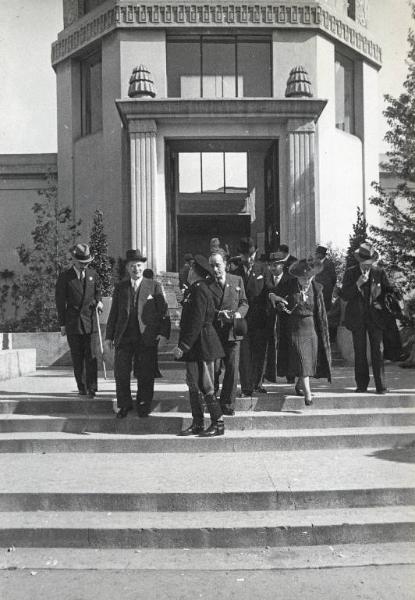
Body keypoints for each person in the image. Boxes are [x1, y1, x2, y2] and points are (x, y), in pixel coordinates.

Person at [105, 249, 170, 419]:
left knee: (146, 373)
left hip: (146, 336)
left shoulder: (154, 286)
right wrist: (108, 337)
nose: (136, 269)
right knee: (122, 372)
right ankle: (124, 405)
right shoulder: (120, 287)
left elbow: (164, 312)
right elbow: (114, 314)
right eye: (132, 266)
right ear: (127, 268)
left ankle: (143, 404)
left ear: (143, 266)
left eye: (139, 265)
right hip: (124, 336)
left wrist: (164, 334)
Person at [172, 255, 225, 436]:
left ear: (195, 272)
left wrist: (183, 346)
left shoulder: (199, 289)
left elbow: (197, 321)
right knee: (193, 384)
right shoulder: (195, 289)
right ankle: (198, 423)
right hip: (197, 346)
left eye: (190, 268)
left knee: (206, 385)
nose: (187, 271)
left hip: (202, 344)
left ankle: (218, 423)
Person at [340, 242, 397, 394]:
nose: (367, 267)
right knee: (359, 351)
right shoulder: (350, 273)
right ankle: (362, 385)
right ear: (359, 261)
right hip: (357, 318)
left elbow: (389, 291)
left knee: (378, 350)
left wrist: (384, 303)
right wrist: (358, 284)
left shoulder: (379, 272)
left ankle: (381, 386)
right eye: (365, 264)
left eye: (370, 264)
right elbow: (344, 295)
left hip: (376, 318)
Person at [55, 243, 103, 398]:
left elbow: (97, 293)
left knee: (92, 355)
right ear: (74, 261)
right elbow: (60, 302)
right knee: (77, 356)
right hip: (73, 322)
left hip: (90, 320)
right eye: (82, 263)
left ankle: (92, 387)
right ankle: (81, 386)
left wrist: (99, 301)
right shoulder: (65, 277)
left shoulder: (93, 274)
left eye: (87, 263)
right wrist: (62, 324)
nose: (84, 266)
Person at [286, 259, 332, 405]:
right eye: (303, 278)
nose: (306, 281)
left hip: (311, 328)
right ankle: (308, 395)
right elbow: (275, 296)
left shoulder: (317, 288)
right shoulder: (289, 286)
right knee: (302, 359)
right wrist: (276, 299)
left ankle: (300, 385)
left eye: (309, 278)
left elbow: (321, 311)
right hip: (296, 328)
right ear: (297, 277)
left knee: (307, 362)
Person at [209, 251, 249, 415]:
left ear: (225, 264)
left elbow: (244, 302)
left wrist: (239, 314)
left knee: (232, 369)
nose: (215, 269)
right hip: (214, 332)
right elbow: (203, 307)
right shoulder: (206, 284)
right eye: (212, 266)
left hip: (233, 332)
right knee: (215, 369)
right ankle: (211, 400)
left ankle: (227, 404)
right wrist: (218, 314)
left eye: (217, 265)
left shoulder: (236, 280)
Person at [232, 237, 271, 396]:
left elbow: (269, 289)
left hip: (261, 319)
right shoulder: (235, 273)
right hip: (243, 320)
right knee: (245, 355)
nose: (249, 258)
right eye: (246, 256)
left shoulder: (263, 269)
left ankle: (258, 383)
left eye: (252, 254)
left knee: (260, 353)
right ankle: (247, 387)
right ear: (241, 256)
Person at [264, 250, 296, 384]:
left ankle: (290, 375)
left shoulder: (290, 279)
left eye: (275, 265)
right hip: (269, 317)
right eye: (270, 265)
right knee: (269, 345)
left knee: (287, 345)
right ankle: (270, 375)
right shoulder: (266, 278)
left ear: (282, 265)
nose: (272, 268)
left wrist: (284, 303)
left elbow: (293, 298)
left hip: (285, 318)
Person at [314, 245, 337, 314]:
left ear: (322, 254)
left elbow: (334, 278)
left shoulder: (329, 264)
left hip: (326, 291)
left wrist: (329, 288)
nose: (316, 255)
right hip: (317, 290)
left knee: (325, 310)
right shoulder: (316, 263)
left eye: (317, 253)